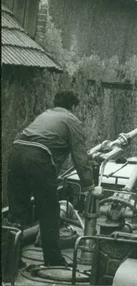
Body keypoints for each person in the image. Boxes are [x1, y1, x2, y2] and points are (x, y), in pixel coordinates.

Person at [7, 91, 102, 267]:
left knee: (17, 211)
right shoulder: (72, 120)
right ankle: (53, 261)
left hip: (16, 152)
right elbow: (80, 157)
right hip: (38, 158)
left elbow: (44, 141)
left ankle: (9, 260)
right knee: (49, 211)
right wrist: (90, 186)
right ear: (73, 106)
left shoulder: (45, 115)